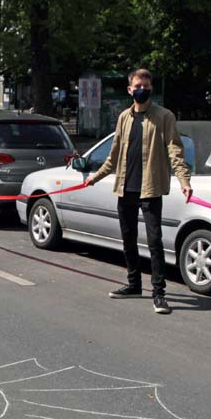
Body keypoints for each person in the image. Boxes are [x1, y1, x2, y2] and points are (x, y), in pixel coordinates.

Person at [84, 68, 191, 315]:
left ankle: (159, 293)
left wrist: (184, 180)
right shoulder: (124, 117)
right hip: (126, 187)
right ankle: (133, 285)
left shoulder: (164, 117)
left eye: (146, 85)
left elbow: (175, 151)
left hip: (150, 188)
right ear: (130, 90)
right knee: (128, 239)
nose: (142, 89)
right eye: (137, 85)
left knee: (154, 241)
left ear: (151, 88)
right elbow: (113, 156)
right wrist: (95, 177)